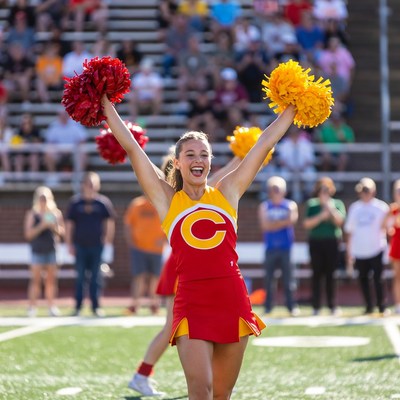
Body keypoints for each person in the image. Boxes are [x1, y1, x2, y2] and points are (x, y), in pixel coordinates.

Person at [102, 91, 295, 399]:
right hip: (192, 300)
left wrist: (292, 107)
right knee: (200, 388)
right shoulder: (167, 200)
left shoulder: (227, 191)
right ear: (177, 163)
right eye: (190, 155)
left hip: (232, 298)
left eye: (204, 154)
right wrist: (105, 104)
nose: (198, 160)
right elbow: (132, 147)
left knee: (221, 393)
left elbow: (263, 145)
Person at [128, 153, 242, 397]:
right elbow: (220, 178)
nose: (196, 164)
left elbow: (220, 179)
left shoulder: (204, 195)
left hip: (198, 267)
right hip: (185, 270)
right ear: (177, 168)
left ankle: (146, 373)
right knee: (173, 325)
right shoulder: (172, 198)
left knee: (175, 326)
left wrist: (240, 157)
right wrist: (238, 158)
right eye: (188, 158)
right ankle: (142, 374)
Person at [65, 171, 116, 317]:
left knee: (96, 277)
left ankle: (95, 306)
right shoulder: (75, 203)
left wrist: (108, 239)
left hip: (96, 245)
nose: (90, 187)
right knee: (80, 276)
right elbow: (69, 225)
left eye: (93, 184)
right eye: (88, 184)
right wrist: (69, 243)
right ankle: (78, 306)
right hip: (80, 245)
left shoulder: (102, 203)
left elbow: (109, 222)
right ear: (83, 185)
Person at [345, 177, 389, 315]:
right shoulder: (355, 208)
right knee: (363, 279)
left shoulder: (381, 207)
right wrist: (349, 252)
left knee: (378, 278)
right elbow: (349, 231)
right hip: (359, 250)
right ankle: (369, 305)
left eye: (367, 189)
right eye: (363, 189)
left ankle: (381, 305)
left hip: (376, 248)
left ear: (374, 190)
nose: (365, 193)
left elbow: (387, 228)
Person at [303, 177, 346, 316]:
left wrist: (329, 209)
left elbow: (340, 222)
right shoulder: (312, 204)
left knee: (331, 274)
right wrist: (322, 215)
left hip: (332, 242)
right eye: (322, 189)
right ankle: (316, 306)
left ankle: (332, 305)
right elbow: (307, 224)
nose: (325, 192)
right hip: (316, 242)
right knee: (316, 274)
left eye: (327, 189)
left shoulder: (337, 203)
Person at [258, 176, 299, 316]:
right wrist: (282, 222)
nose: (275, 191)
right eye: (272, 189)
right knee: (269, 280)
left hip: (286, 248)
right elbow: (265, 226)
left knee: (289, 280)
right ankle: (268, 306)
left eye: (277, 188)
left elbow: (291, 220)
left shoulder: (290, 205)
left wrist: (274, 224)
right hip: (270, 248)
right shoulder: (264, 206)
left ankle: (291, 306)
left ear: (284, 190)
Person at [24, 186, 65, 317]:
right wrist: (41, 226)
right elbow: (28, 234)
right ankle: (32, 307)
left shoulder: (55, 213)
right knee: (35, 281)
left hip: (51, 250)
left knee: (51, 281)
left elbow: (61, 233)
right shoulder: (32, 214)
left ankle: (51, 306)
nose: (43, 201)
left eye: (45, 198)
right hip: (37, 250)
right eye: (41, 198)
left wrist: (53, 226)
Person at [124, 193, 167, 315]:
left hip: (156, 249)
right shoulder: (136, 204)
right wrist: (131, 242)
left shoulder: (161, 204)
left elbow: (170, 223)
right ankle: (134, 304)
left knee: (155, 277)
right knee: (139, 276)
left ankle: (154, 304)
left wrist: (164, 239)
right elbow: (128, 224)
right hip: (139, 248)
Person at [383, 179, 400, 315]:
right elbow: (384, 227)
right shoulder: (393, 210)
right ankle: (398, 304)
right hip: (397, 246)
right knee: (397, 276)